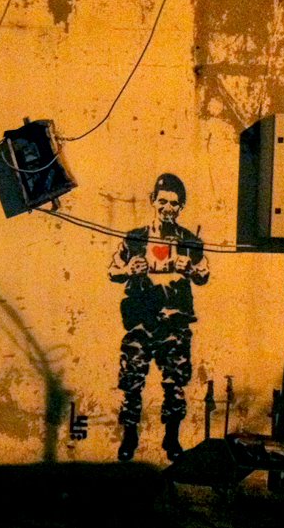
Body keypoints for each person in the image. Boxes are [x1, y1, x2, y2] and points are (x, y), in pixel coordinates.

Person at [108, 173, 209, 461]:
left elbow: (204, 274)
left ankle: (172, 438)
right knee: (132, 383)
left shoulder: (190, 241)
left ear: (181, 207)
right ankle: (129, 437)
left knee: (175, 384)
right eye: (162, 201)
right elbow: (113, 270)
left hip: (174, 325)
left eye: (174, 204)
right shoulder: (135, 238)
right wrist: (129, 270)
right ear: (153, 201)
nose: (168, 208)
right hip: (140, 324)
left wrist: (190, 268)